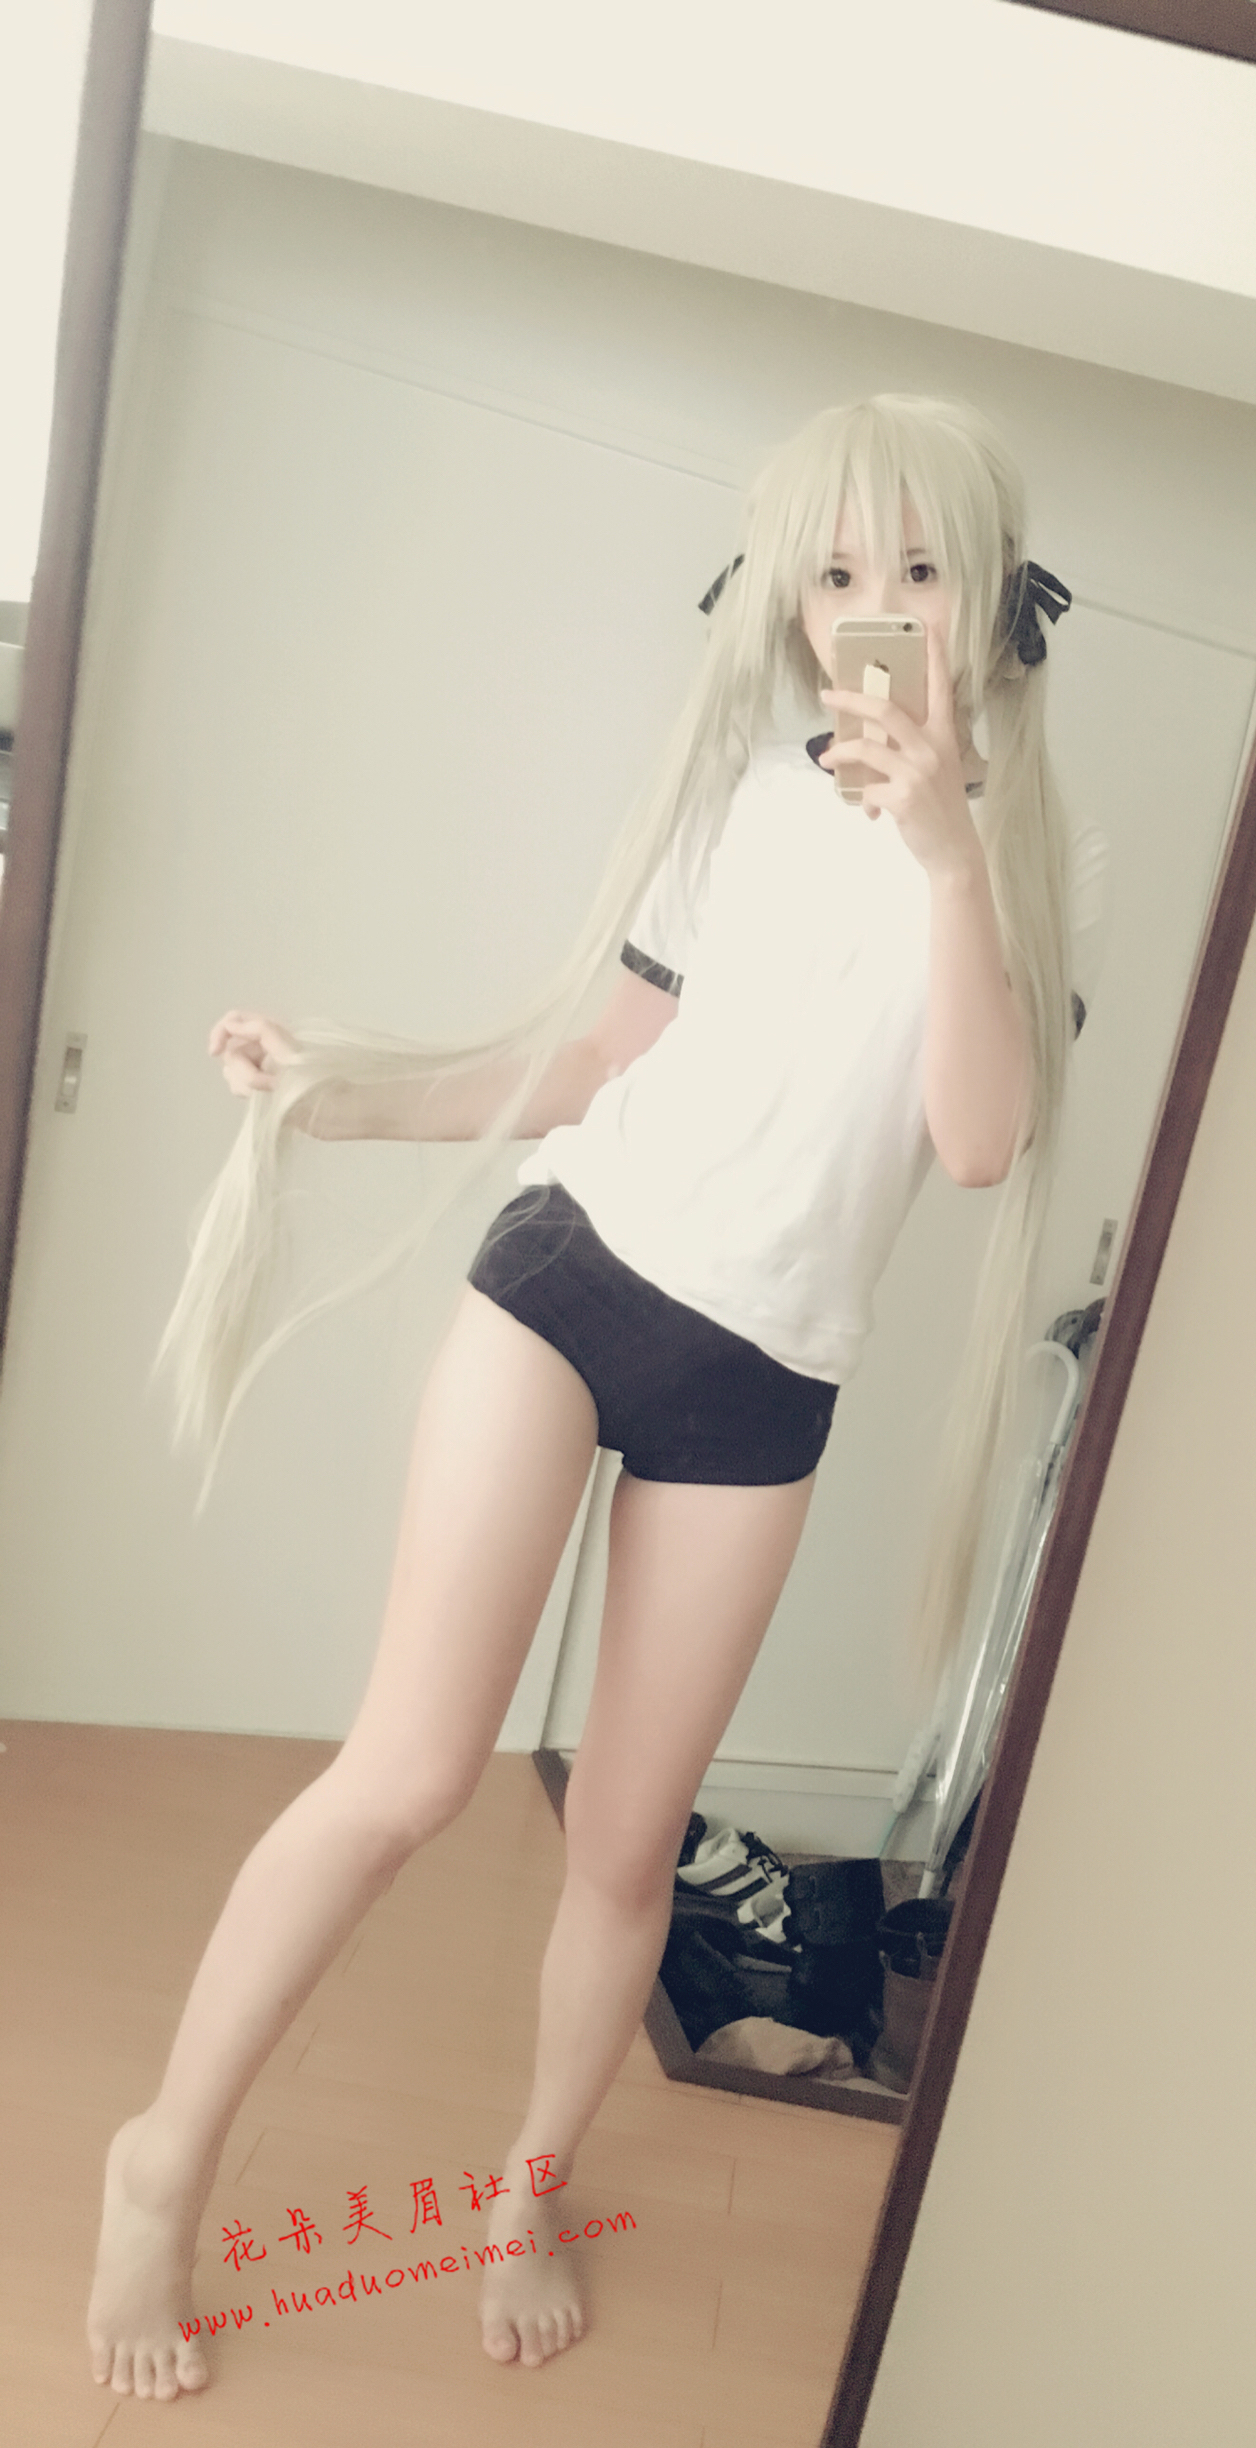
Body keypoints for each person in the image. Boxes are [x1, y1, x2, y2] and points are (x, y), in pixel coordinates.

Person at [85, 393, 1103, 2401]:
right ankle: (161, 2162)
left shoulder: (1025, 873)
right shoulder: (745, 808)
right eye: (837, 572)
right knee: (409, 1774)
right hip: (576, 1281)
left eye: (919, 567)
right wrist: (347, 1100)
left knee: (626, 1854)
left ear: (990, 593)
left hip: (765, 1382)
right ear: (794, 606)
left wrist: (948, 856)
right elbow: (593, 1064)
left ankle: (526, 2191)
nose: (878, 607)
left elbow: (981, 1147)